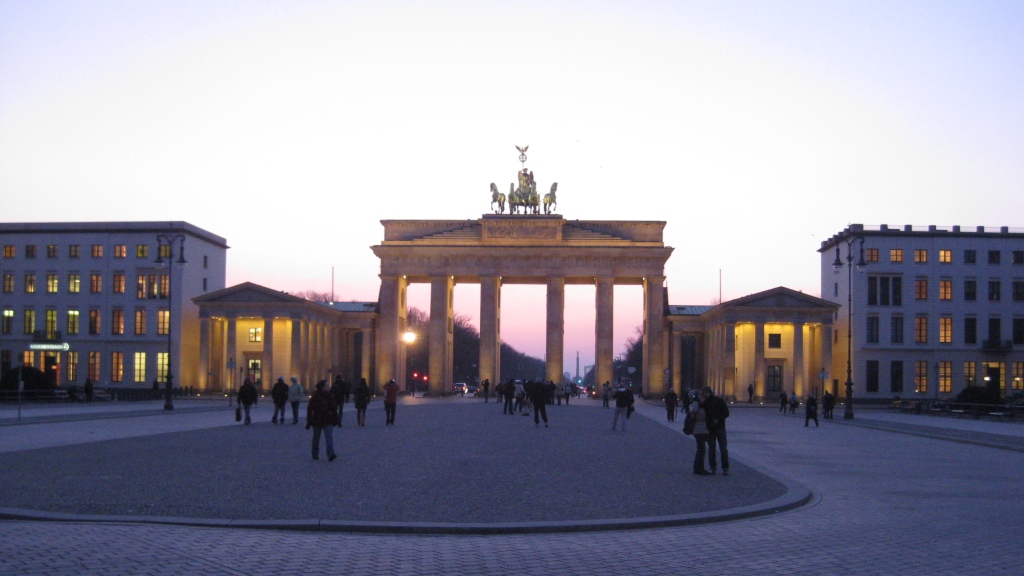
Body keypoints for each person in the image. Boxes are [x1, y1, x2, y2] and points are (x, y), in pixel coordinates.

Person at [305, 380, 338, 461]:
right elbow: (310, 409)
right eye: (327, 385)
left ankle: (330, 454)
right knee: (316, 438)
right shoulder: (315, 397)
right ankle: (315, 454)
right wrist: (309, 421)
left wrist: (336, 419)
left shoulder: (330, 396)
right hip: (318, 420)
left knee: (329, 438)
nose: (328, 387)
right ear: (322, 387)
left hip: (327, 420)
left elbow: (334, 409)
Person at [702, 385, 730, 475]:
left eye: (707, 392)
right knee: (712, 449)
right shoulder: (704, 403)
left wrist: (718, 419)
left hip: (720, 427)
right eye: (704, 393)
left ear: (710, 392)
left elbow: (726, 413)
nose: (706, 394)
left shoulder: (719, 401)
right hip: (710, 429)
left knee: (723, 449)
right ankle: (713, 467)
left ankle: (725, 467)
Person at [689, 389, 712, 475]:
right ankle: (699, 468)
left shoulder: (702, 404)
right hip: (698, 429)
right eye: (701, 395)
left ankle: (698, 468)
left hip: (702, 428)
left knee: (701, 449)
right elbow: (692, 415)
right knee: (701, 449)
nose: (703, 397)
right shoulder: (697, 404)